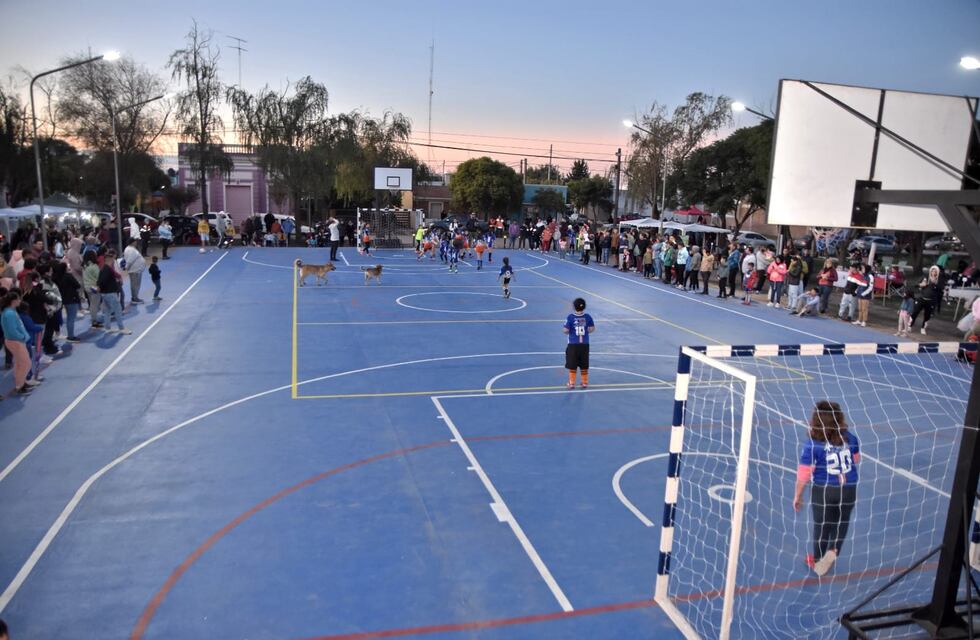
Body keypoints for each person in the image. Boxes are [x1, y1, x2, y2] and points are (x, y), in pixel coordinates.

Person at [793, 400, 860, 576]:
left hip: (825, 490)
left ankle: (818, 561)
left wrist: (798, 495)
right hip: (849, 488)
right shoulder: (850, 438)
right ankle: (834, 549)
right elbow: (856, 459)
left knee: (822, 525)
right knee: (842, 519)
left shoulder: (813, 444)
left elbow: (804, 474)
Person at [2, 291, 34, 395]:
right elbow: (12, 330)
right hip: (16, 341)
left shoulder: (9, 311)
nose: (20, 301)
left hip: (15, 340)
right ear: (14, 301)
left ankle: (21, 383)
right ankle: (19, 386)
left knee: (19, 363)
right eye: (19, 299)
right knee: (26, 363)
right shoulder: (10, 313)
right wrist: (22, 337)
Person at [563, 297, 595, 389]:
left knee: (572, 364)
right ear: (584, 307)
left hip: (573, 345)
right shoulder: (587, 317)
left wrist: (567, 330)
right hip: (584, 345)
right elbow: (592, 329)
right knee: (584, 364)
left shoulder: (570, 317)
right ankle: (584, 382)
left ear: (574, 306)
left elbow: (565, 330)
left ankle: (572, 383)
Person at [98, 250, 130, 335]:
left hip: (105, 293)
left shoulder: (103, 268)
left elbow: (100, 281)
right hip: (110, 293)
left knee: (107, 311)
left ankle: (107, 328)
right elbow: (102, 281)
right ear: (109, 259)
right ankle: (121, 328)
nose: (113, 261)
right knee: (118, 310)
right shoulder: (107, 269)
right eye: (112, 260)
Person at [53, 262, 82, 343]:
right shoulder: (68, 276)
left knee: (69, 317)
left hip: (64, 299)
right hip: (72, 298)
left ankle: (70, 335)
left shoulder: (57, 278)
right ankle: (71, 336)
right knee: (71, 318)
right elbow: (77, 285)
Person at [910, 265, 942, 335]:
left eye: (935, 271)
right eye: (933, 271)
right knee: (915, 312)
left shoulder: (938, 280)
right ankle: (910, 325)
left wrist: (935, 285)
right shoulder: (925, 277)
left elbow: (940, 291)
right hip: (921, 299)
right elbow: (915, 285)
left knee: (927, 316)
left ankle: (923, 328)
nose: (934, 272)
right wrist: (920, 285)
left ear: (937, 272)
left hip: (931, 301)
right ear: (930, 271)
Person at [123, 239, 146, 304]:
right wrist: (126, 267)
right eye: (135, 241)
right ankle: (134, 298)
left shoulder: (130, 249)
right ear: (133, 242)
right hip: (135, 270)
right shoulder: (131, 250)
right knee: (135, 284)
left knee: (135, 284)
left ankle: (135, 297)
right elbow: (130, 260)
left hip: (136, 270)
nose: (136, 243)